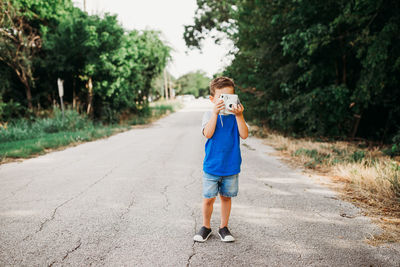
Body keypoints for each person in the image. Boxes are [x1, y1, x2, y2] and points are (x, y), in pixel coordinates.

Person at [193, 76, 249, 243]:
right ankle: (206, 226)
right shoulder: (208, 115)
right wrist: (215, 114)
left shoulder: (235, 117)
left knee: (226, 197)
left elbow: (244, 135)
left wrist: (240, 115)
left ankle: (224, 227)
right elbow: (208, 133)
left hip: (231, 166)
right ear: (212, 99)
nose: (224, 101)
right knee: (208, 198)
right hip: (212, 166)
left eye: (229, 97)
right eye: (220, 98)